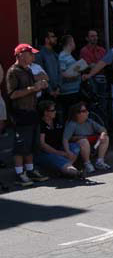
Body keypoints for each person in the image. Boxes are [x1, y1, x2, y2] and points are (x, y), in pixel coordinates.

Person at [6, 44, 50, 186]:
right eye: (30, 54)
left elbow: (33, 87)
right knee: (21, 145)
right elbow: (12, 94)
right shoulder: (13, 71)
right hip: (20, 112)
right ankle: (20, 173)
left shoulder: (28, 69)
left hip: (31, 110)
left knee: (31, 144)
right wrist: (32, 88)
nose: (33, 56)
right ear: (20, 55)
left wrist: (40, 84)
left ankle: (30, 170)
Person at [36, 100, 80, 178]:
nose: (55, 112)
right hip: (46, 153)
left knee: (75, 146)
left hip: (59, 148)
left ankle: (66, 170)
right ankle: (75, 172)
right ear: (45, 112)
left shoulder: (57, 121)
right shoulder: (40, 124)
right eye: (52, 110)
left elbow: (65, 137)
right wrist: (59, 153)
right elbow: (42, 145)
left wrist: (76, 138)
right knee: (55, 157)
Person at [63, 101, 110, 173]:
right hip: (79, 144)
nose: (87, 112)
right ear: (77, 114)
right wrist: (67, 151)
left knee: (105, 137)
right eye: (84, 111)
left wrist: (102, 134)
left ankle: (100, 162)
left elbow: (102, 129)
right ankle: (87, 163)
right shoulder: (71, 124)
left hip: (91, 142)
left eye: (86, 110)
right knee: (83, 141)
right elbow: (65, 139)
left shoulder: (89, 121)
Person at [58, 35, 85, 115]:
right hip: (68, 92)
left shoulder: (69, 56)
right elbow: (62, 73)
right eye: (73, 42)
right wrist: (75, 74)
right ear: (70, 43)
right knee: (70, 114)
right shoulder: (62, 57)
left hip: (74, 90)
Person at [35, 29, 61, 101]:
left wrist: (58, 88)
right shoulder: (39, 55)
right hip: (45, 93)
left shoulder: (55, 54)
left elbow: (59, 72)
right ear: (46, 39)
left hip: (57, 91)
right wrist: (50, 91)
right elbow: (40, 73)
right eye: (53, 36)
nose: (56, 38)